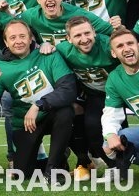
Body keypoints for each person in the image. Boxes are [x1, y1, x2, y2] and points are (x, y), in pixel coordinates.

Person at [0, 20, 77, 181]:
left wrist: (38, 105)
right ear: (6, 42)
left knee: (65, 112)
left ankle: (54, 169)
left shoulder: (48, 54)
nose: (18, 41)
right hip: (26, 123)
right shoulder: (1, 67)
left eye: (22, 36)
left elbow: (68, 89)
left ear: (30, 39)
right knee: (23, 174)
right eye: (12, 37)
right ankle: (52, 160)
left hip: (51, 114)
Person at [46, 17, 120, 179]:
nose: (84, 39)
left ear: (94, 32)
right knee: (92, 126)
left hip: (124, 93)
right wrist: (46, 46)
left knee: (120, 130)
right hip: (97, 95)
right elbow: (48, 57)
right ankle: (113, 166)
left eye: (87, 33)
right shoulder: (63, 50)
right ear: (69, 39)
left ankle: (122, 164)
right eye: (78, 35)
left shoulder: (108, 45)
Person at [19, 0, 114, 46]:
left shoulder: (79, 15)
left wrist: (117, 25)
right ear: (38, 0)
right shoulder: (30, 16)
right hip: (50, 60)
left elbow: (112, 31)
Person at [101, 28, 139, 179]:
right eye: (120, 46)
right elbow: (111, 114)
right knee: (110, 144)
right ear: (113, 53)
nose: (127, 48)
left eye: (130, 43)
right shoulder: (115, 78)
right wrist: (110, 135)